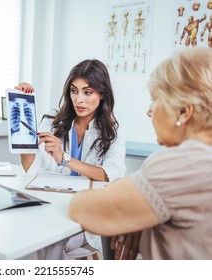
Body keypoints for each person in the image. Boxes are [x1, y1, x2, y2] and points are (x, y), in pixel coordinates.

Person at [68, 47, 212, 260]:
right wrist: (144, 218)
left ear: (183, 111)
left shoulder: (184, 163)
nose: (149, 111)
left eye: (155, 99)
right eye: (75, 91)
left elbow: (82, 209)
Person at [15, 59, 127, 259]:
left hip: (86, 213)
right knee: (27, 238)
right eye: (74, 91)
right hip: (53, 205)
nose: (79, 100)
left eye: (88, 92)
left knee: (50, 243)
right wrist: (25, 109)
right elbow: (31, 168)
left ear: (102, 94)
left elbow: (110, 174)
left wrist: (64, 158)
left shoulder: (114, 131)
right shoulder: (52, 121)